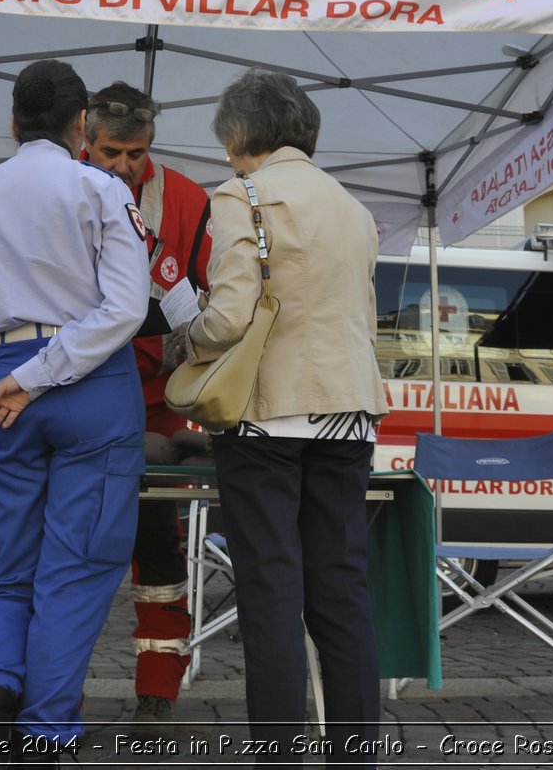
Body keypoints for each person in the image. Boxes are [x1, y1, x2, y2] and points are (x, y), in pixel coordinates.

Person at [0, 59, 148, 766]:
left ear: (13, 123)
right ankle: (46, 729)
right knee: (75, 566)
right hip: (88, 382)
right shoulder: (100, 188)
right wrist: (41, 374)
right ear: (84, 125)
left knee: (14, 560)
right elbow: (126, 308)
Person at [180, 70, 387, 765]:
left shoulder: (241, 195)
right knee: (342, 594)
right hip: (349, 410)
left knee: (272, 595)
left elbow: (232, 313)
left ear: (238, 135)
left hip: (267, 415)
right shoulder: (354, 208)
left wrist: (189, 337)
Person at [82, 81, 212, 739]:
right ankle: (50, 686)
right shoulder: (60, 189)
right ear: (86, 138)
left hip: (157, 405)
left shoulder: (189, 201)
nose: (123, 166)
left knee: (159, 551)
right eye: (111, 151)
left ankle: (159, 689)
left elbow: (211, 309)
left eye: (137, 153)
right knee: (71, 548)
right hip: (76, 400)